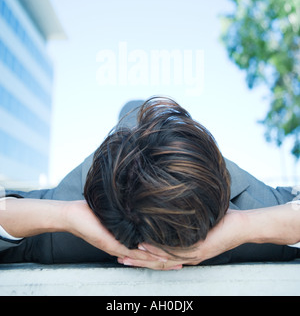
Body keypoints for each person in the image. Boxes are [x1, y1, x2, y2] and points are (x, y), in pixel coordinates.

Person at [0, 96, 299, 270]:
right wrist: (66, 216)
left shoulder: (250, 202)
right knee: (134, 114)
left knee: (135, 112)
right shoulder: (69, 206)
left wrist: (244, 227)